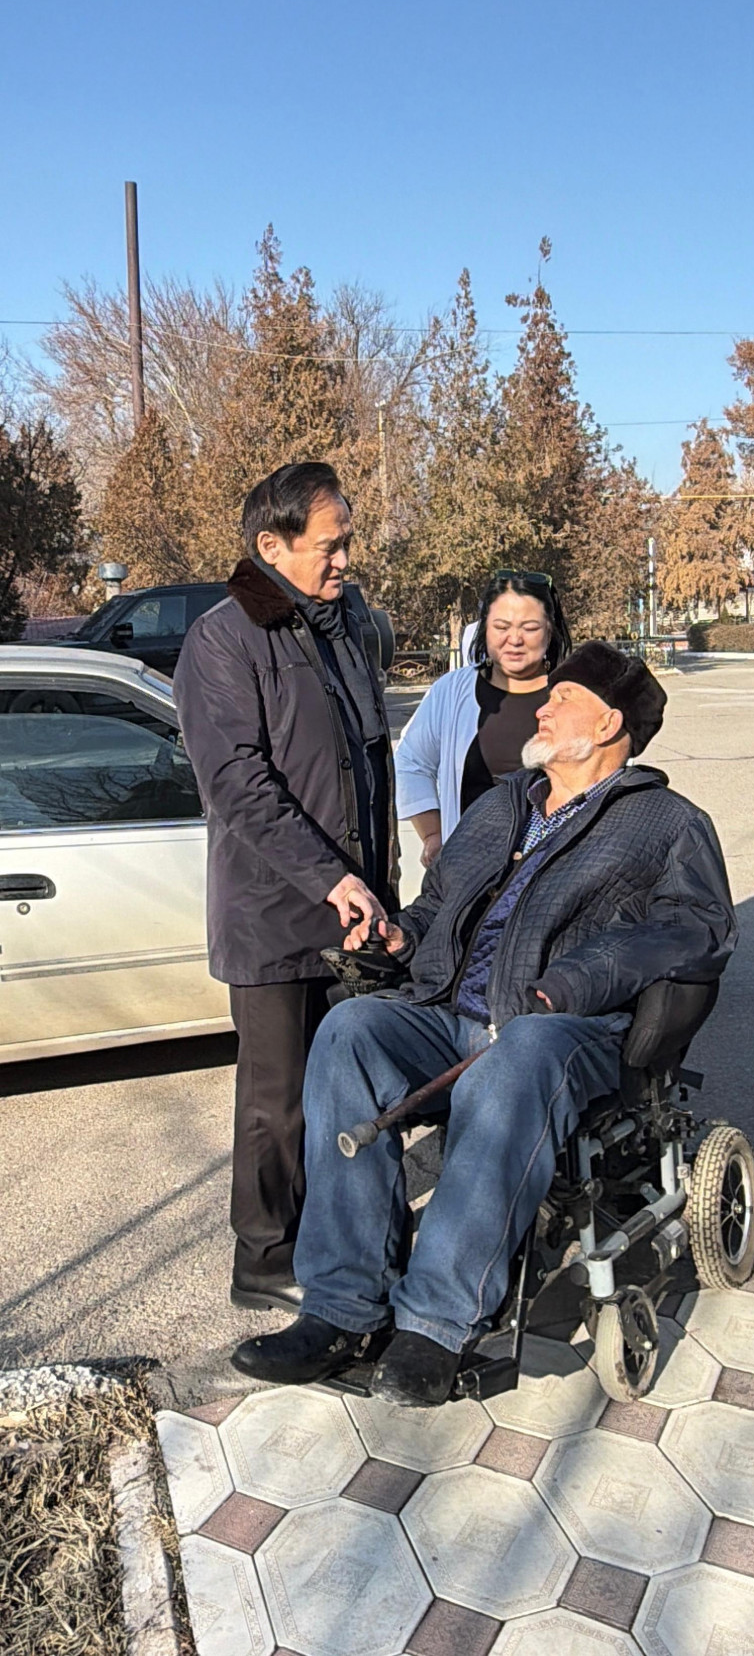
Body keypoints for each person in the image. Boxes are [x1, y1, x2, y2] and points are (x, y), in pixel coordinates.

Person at [231, 641, 736, 1405]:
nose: (543, 707)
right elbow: (439, 905)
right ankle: (340, 1308)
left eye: (562, 698)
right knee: (352, 1029)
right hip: (452, 1015)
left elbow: (697, 929)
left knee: (520, 1051)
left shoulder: (667, 822)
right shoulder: (502, 806)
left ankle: (437, 1325)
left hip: (567, 1031)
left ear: (608, 725)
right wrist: (399, 938)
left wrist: (574, 979)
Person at [174, 462, 397, 1313]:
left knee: (355, 1090)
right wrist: (329, 875)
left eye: (347, 542)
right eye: (329, 545)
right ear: (272, 545)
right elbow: (237, 784)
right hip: (274, 916)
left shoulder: (344, 626)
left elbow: (366, 765)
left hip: (355, 910)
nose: (344, 559)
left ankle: (350, 1239)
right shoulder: (224, 640)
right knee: (278, 1103)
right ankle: (265, 1258)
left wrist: (379, 880)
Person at [395, 569, 572, 867]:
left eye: (529, 627)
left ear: (550, 630)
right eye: (501, 626)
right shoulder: (452, 692)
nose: (514, 639)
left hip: (557, 874)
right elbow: (411, 762)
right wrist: (433, 835)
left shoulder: (576, 696)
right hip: (470, 872)